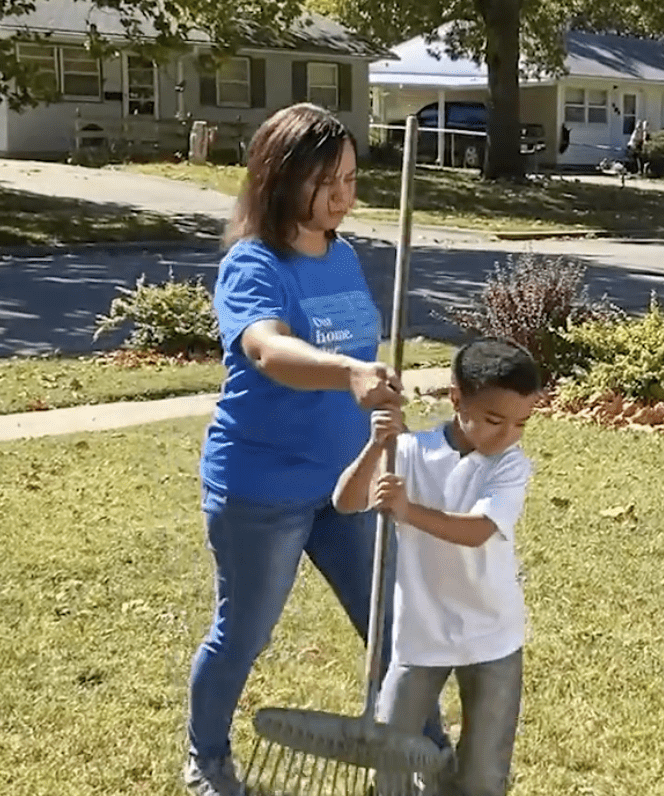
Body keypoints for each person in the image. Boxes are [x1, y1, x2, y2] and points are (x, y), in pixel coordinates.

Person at [184, 102, 446, 796]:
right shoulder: (252, 264)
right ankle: (206, 757)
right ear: (280, 177)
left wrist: (380, 403)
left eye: (352, 179)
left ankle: (431, 757)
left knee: (392, 627)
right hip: (261, 486)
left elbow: (357, 356)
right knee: (242, 635)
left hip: (349, 484)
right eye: (325, 181)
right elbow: (267, 348)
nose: (341, 196)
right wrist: (350, 373)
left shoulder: (346, 255)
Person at [332, 338, 543, 796]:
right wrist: (377, 444)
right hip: (420, 634)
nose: (507, 434)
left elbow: (477, 531)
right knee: (388, 754)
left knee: (483, 775)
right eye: (493, 420)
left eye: (521, 423)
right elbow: (346, 502)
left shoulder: (509, 466)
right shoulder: (410, 451)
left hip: (492, 636)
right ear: (456, 398)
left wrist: (407, 511)